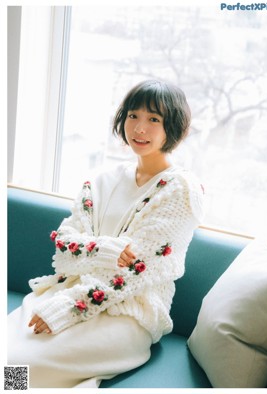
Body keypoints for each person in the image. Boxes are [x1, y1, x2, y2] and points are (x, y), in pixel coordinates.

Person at [7, 79, 204, 388]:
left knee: (18, 370)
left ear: (173, 127)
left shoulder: (180, 190)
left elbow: (138, 271)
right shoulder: (103, 180)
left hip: (127, 314)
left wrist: (67, 308)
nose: (140, 128)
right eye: (133, 115)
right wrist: (108, 251)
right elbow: (64, 245)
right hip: (64, 290)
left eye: (154, 119)